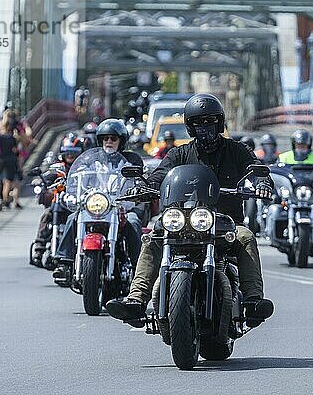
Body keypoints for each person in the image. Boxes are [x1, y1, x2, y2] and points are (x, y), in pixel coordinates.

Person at [105, 93, 274, 328]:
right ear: (190, 127)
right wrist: (145, 187)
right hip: (182, 221)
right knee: (153, 237)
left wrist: (262, 183)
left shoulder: (237, 150)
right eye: (198, 123)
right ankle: (136, 300)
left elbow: (257, 170)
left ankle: (253, 301)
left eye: (209, 121)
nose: (204, 127)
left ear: (219, 122)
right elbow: (160, 175)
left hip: (225, 223)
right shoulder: (180, 154)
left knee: (245, 236)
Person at [52, 119, 144, 284]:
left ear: (121, 141)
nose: (109, 141)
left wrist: (135, 192)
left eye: (113, 138)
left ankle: (139, 267)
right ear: (100, 140)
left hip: (119, 206)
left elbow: (138, 180)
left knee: (133, 220)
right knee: (73, 218)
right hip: (95, 206)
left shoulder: (130, 160)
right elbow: (77, 179)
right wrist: (71, 190)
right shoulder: (90, 161)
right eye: (105, 138)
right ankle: (64, 262)